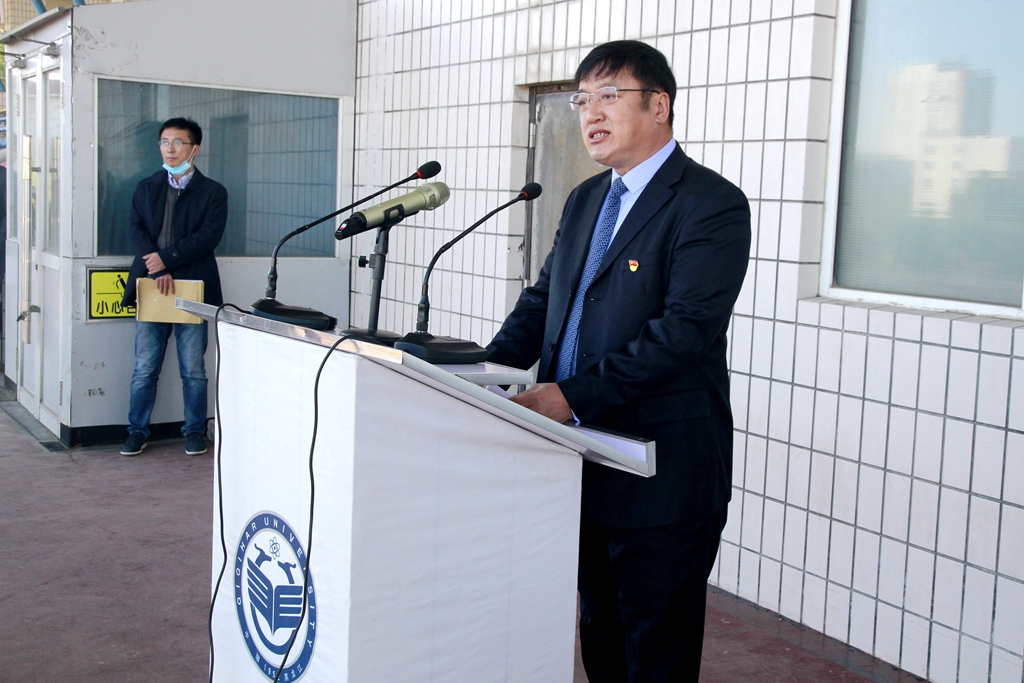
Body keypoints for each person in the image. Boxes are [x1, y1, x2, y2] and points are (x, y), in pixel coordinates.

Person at [486, 41, 751, 681]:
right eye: (582, 100)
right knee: (600, 632)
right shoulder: (584, 199)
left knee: (655, 649)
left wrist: (570, 396)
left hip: (661, 470)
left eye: (609, 96)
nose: (591, 114)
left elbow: (683, 333)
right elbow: (544, 301)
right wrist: (484, 375)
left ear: (660, 105)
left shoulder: (710, 203)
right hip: (579, 460)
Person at [120, 117, 228, 457]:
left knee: (193, 369)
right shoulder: (147, 186)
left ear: (195, 149)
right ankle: (137, 431)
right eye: (165, 142)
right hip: (152, 284)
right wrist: (158, 268)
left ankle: (194, 432)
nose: (170, 149)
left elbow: (207, 237)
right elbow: (135, 229)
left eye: (178, 142)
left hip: (192, 286)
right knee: (145, 367)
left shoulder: (213, 192)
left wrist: (166, 260)